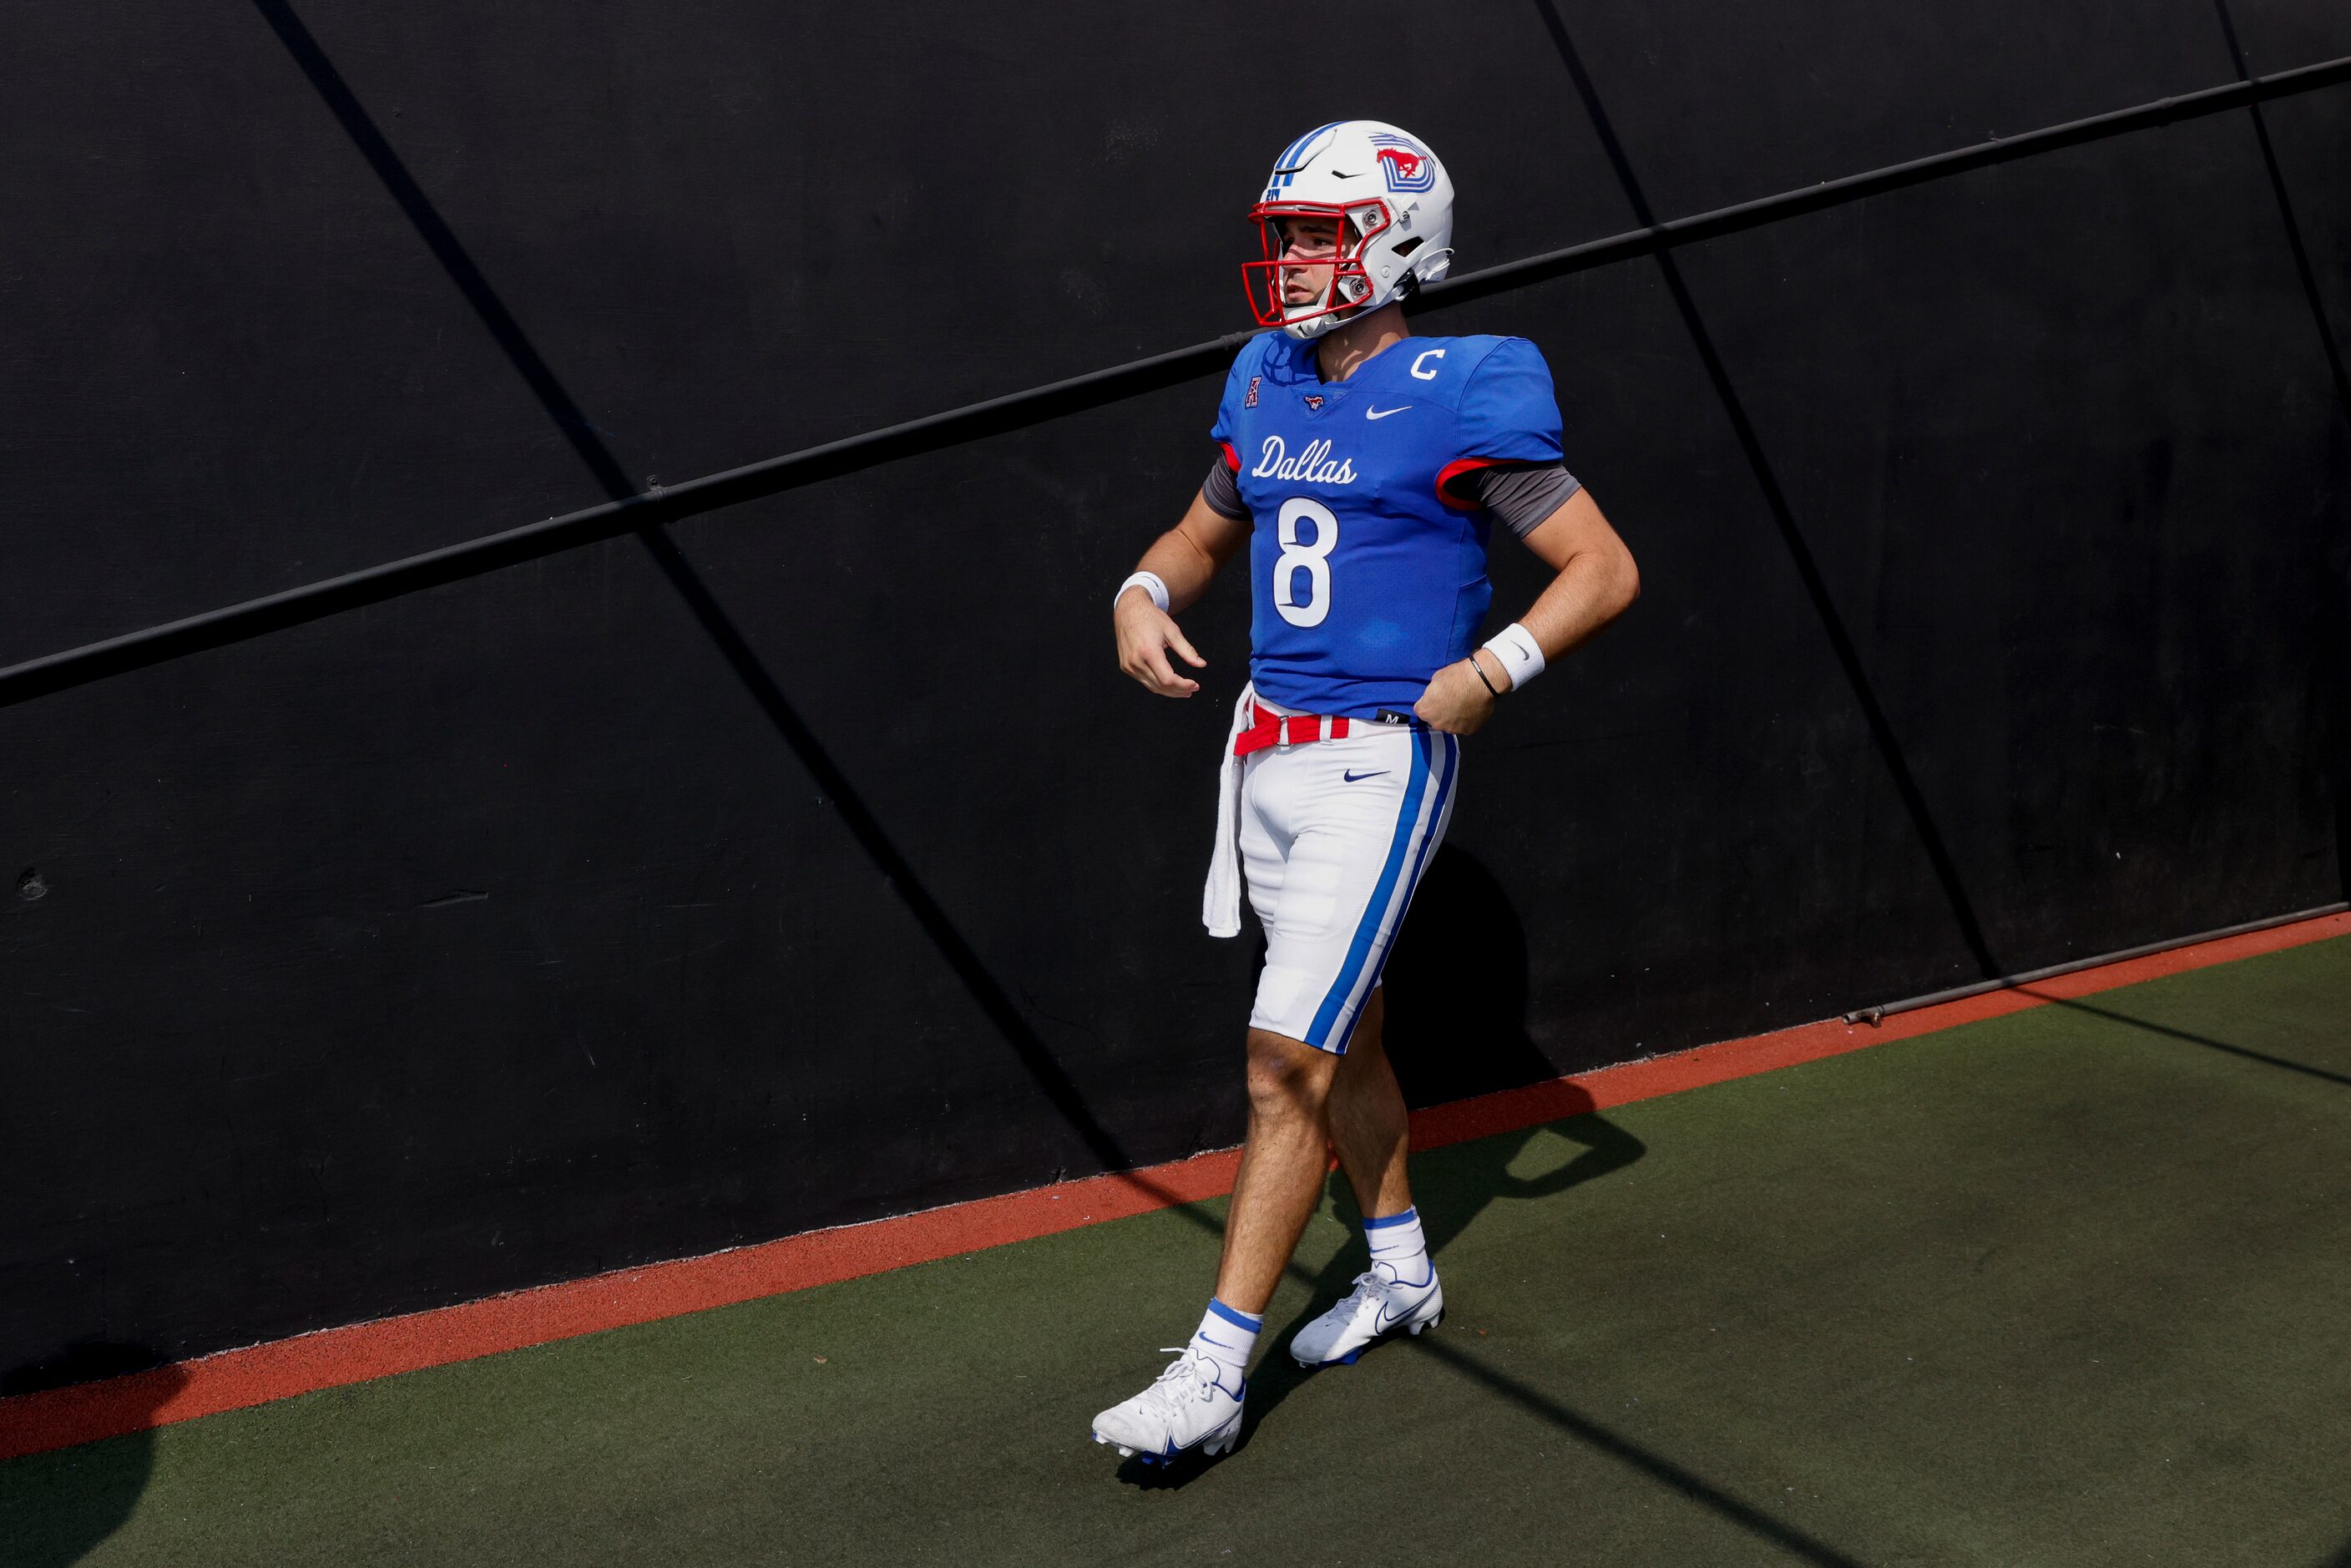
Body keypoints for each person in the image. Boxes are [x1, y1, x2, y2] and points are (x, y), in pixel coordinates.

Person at [1093, 120, 1640, 1464]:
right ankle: (1398, 1264)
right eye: (1279, 235)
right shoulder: (1266, 376)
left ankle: (1214, 1374)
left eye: (1312, 236)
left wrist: (1496, 667)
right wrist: (1144, 587)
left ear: (1393, 239)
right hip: (1267, 753)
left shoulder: (1466, 383)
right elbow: (1203, 530)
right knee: (1356, 1038)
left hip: (1376, 758)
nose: (1284, 261)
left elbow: (1602, 567)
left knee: (1286, 1062)